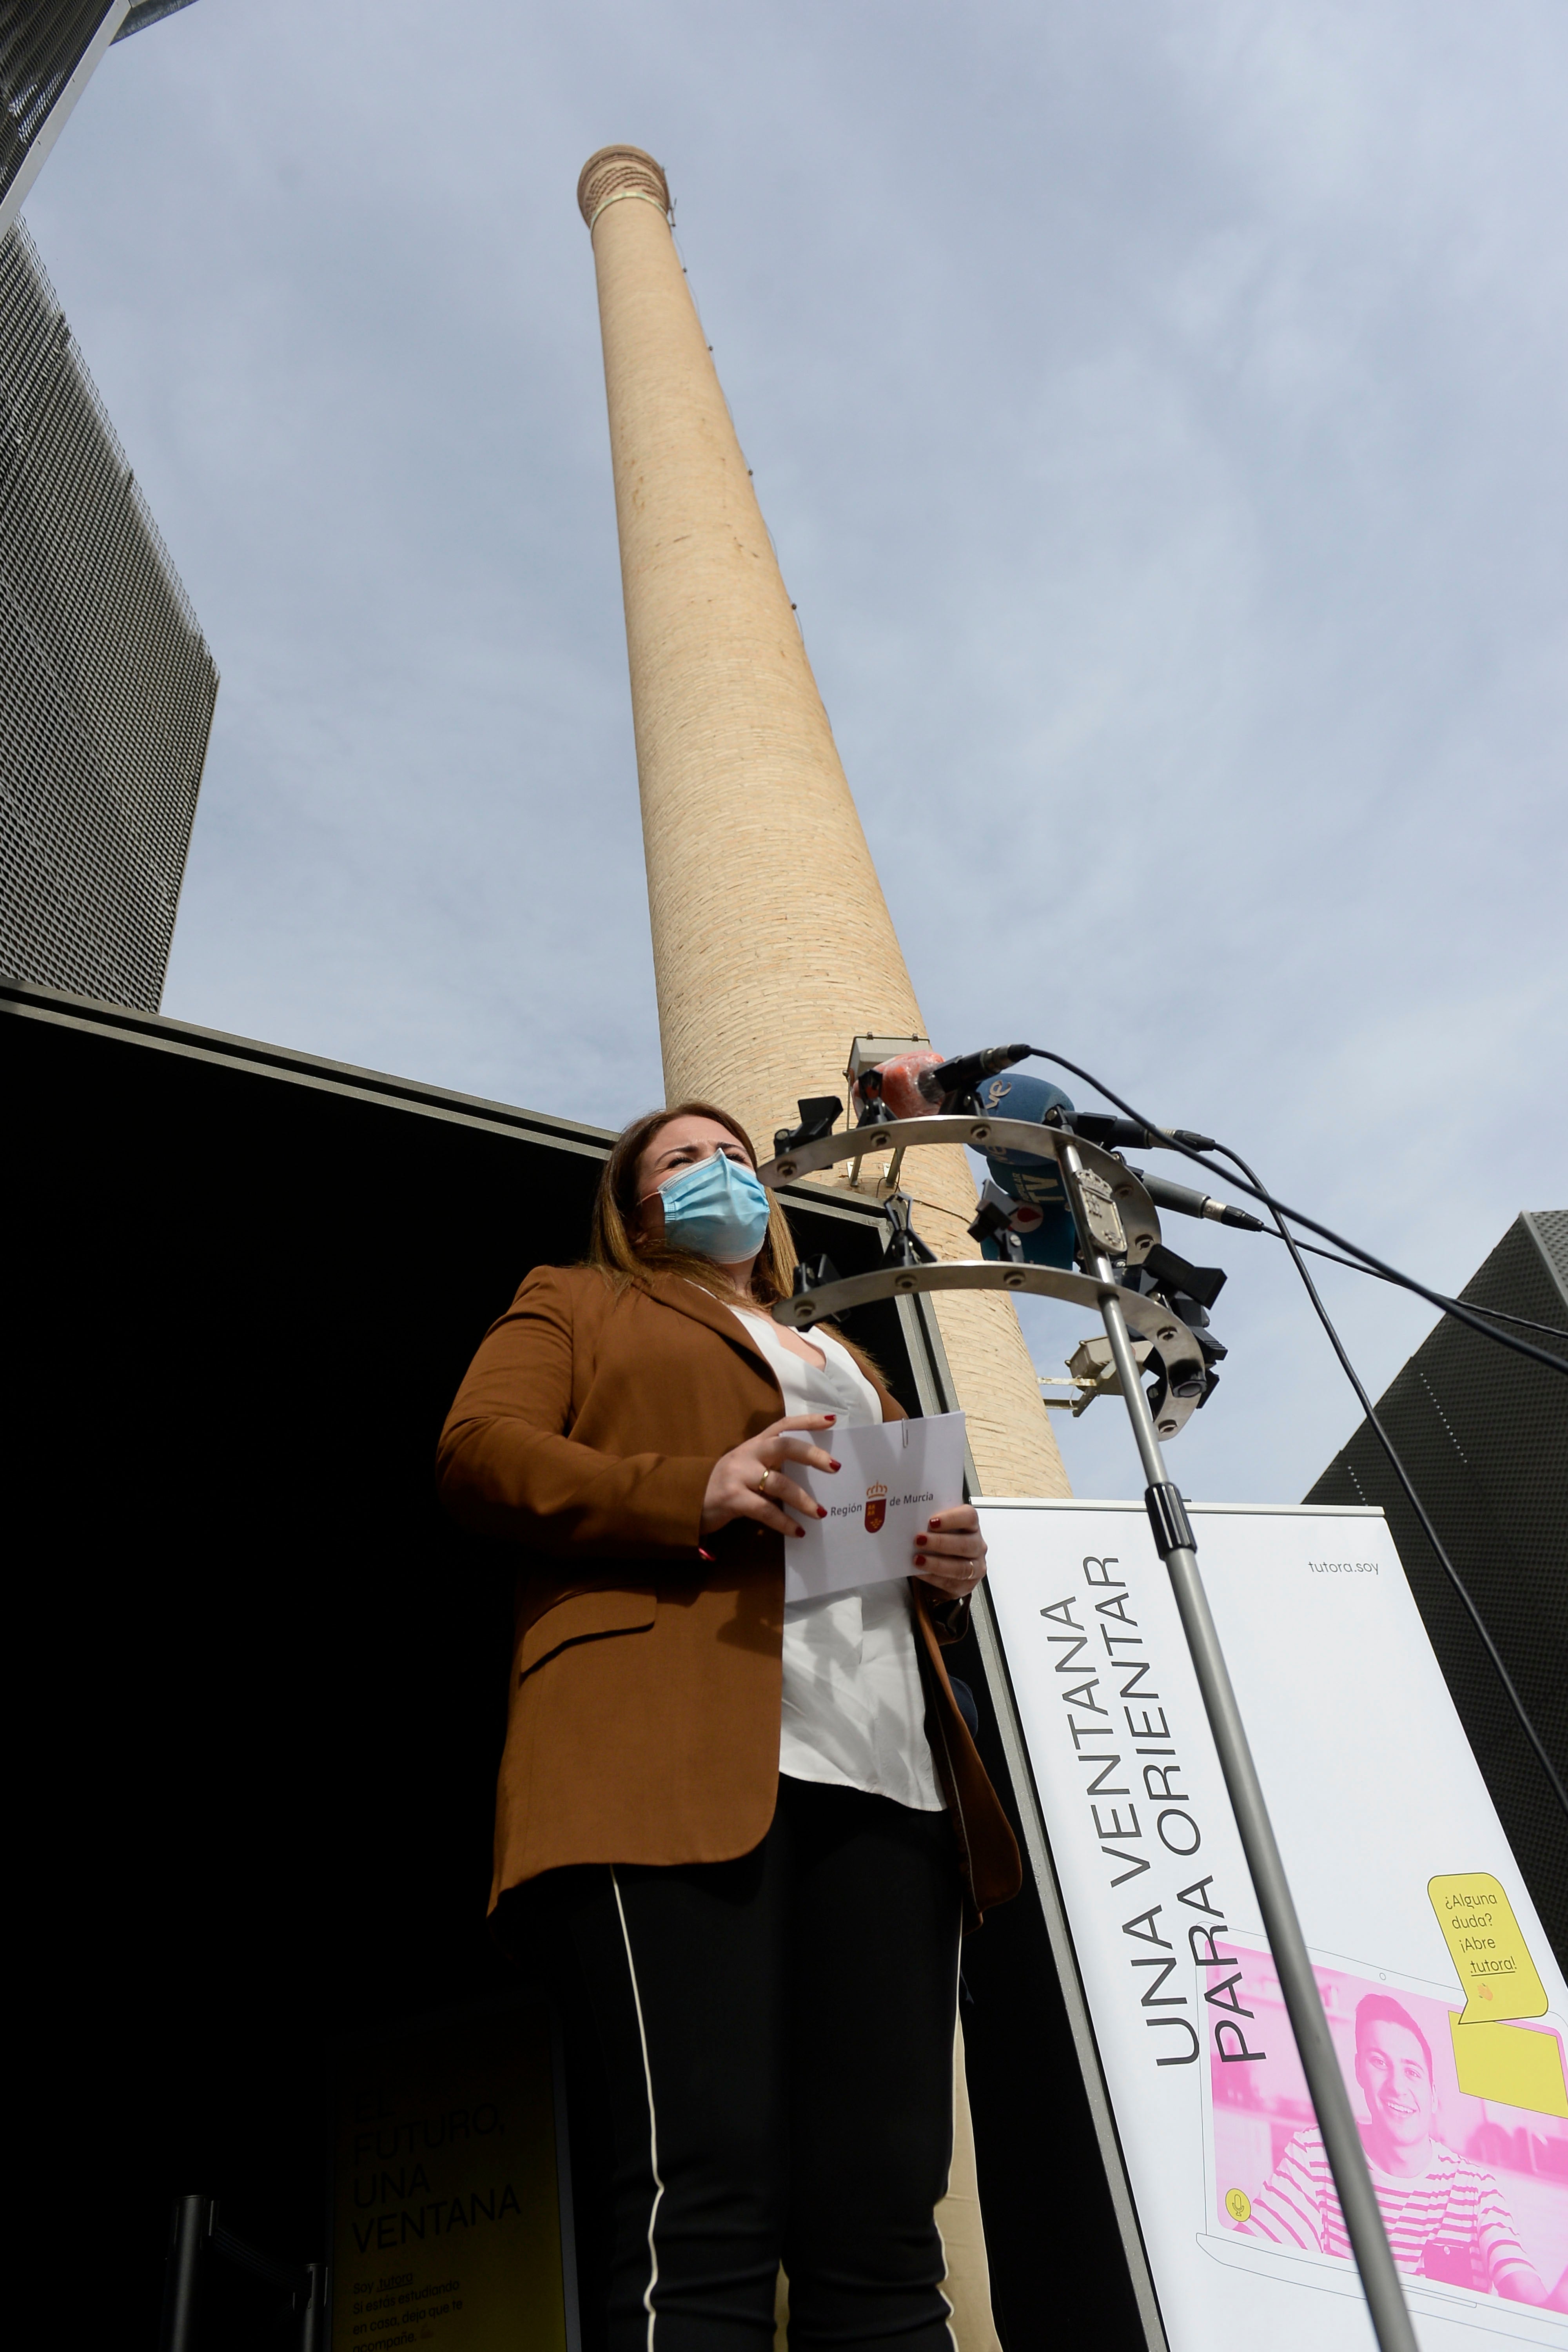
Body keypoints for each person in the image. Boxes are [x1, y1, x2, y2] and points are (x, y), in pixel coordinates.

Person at [437, 1102, 1021, 2351]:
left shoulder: (850, 1355)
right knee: (699, 2200)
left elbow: (872, 1538)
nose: (724, 1172)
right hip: (665, 1764)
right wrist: (687, 1486)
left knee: (883, 2220)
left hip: (887, 1779)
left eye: (739, 1156)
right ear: (633, 1202)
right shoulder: (578, 1300)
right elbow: (477, 1449)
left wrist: (941, 1570)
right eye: (683, 1157)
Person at [1245, 1993, 1566, 2307]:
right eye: (1379, 2062)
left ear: (1434, 2096)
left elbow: (1521, 2283)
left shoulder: (1476, 2190)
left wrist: (1552, 2311)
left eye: (1413, 2072)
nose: (1397, 2086)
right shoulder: (1314, 2156)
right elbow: (1250, 2264)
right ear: (1359, 2071)